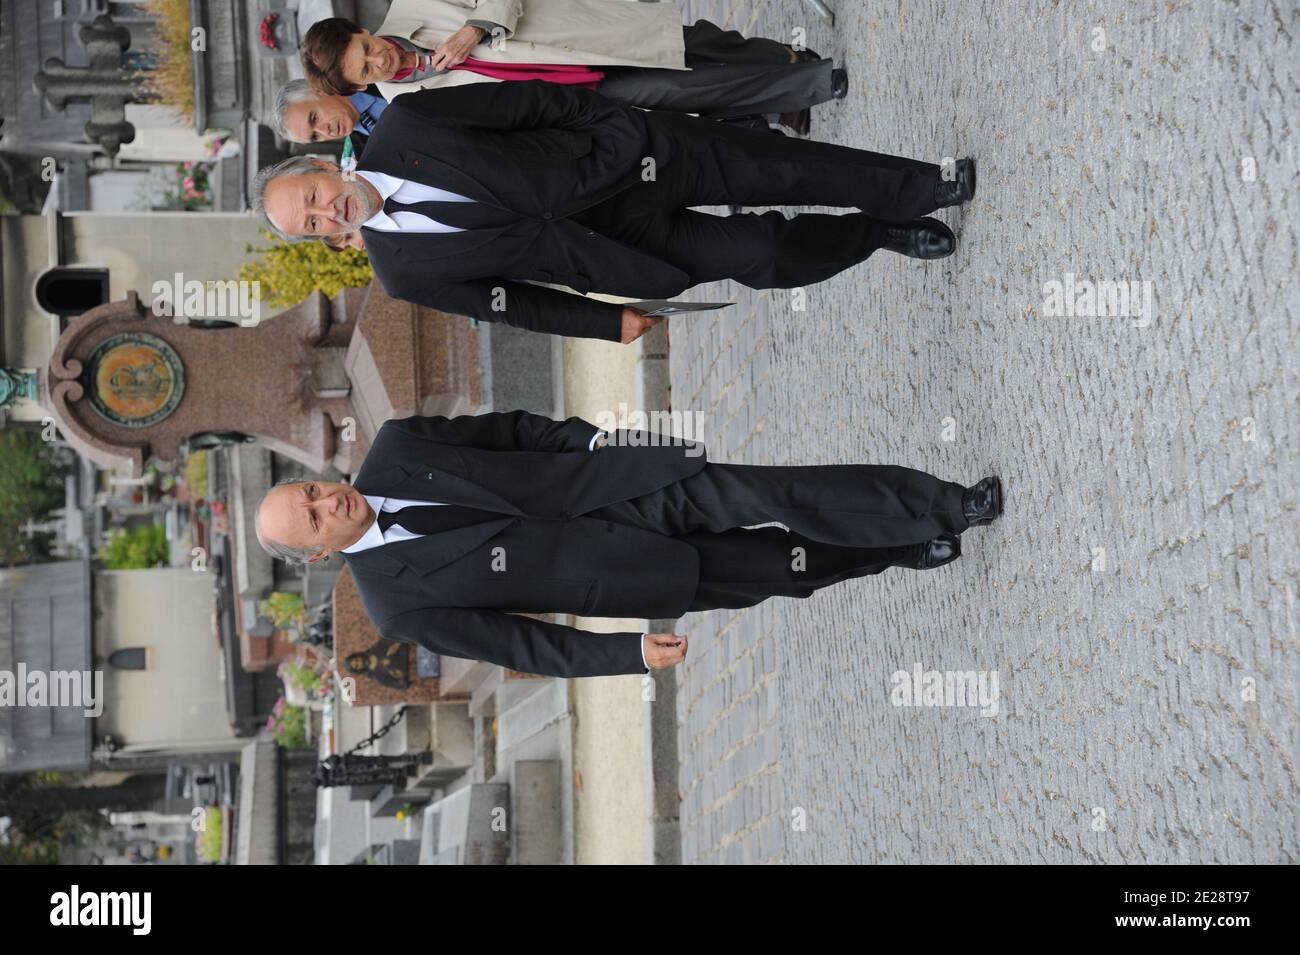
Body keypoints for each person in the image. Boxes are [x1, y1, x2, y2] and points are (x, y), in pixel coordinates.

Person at [253, 410, 1004, 679]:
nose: (328, 500)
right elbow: (525, 649)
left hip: (622, 484)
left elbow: (513, 429)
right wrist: (629, 654)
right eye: (314, 519)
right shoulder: (397, 605)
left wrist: (590, 440)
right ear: (320, 555)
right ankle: (897, 548)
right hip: (623, 576)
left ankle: (946, 505)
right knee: (787, 568)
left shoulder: (396, 445)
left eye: (311, 490)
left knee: (778, 492)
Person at [249, 81, 977, 343]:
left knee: (780, 168)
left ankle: (917, 188)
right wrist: (604, 321)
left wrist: (613, 123)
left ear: (322, 167)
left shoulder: (408, 126)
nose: (326, 211)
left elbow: (526, 105)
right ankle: (877, 233)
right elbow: (513, 307)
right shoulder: (402, 272)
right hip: (621, 249)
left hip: (630, 159)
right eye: (312, 222)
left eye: (312, 197)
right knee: (769, 256)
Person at [300, 4, 847, 135]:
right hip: (568, 94)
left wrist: (477, 27)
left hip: (576, 33)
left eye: (367, 49)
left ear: (364, 31)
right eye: (367, 71)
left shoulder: (414, 7)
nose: (380, 61)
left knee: (694, 44)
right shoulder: (408, 106)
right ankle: (810, 83)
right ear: (361, 87)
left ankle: (782, 73)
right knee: (678, 87)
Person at [270, 79, 387, 151]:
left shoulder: (368, 72)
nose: (325, 131)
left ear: (319, 91)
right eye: (315, 136)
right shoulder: (366, 156)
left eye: (314, 118)